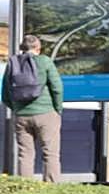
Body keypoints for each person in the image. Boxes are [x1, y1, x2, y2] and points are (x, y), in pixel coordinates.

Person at [2, 35, 64, 182]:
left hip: (21, 116)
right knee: (50, 153)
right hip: (46, 113)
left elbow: (5, 93)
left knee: (25, 154)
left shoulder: (13, 63)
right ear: (38, 48)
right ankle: (51, 187)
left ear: (22, 48)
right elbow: (57, 88)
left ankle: (26, 187)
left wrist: (17, 109)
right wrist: (57, 109)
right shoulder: (45, 61)